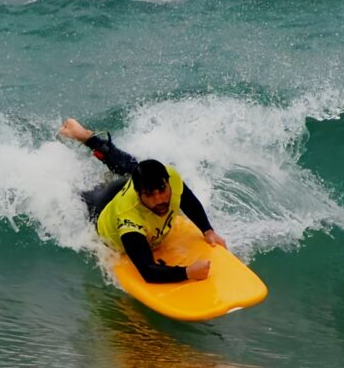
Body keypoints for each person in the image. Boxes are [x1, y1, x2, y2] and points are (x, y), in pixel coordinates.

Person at [60, 118, 226, 283]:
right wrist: (187, 272)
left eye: (162, 190)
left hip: (131, 186)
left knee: (137, 168)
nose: (159, 199)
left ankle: (90, 139)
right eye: (150, 195)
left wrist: (208, 230)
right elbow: (148, 271)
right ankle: (63, 174)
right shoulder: (129, 221)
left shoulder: (170, 177)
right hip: (104, 206)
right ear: (138, 193)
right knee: (85, 193)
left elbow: (187, 199)